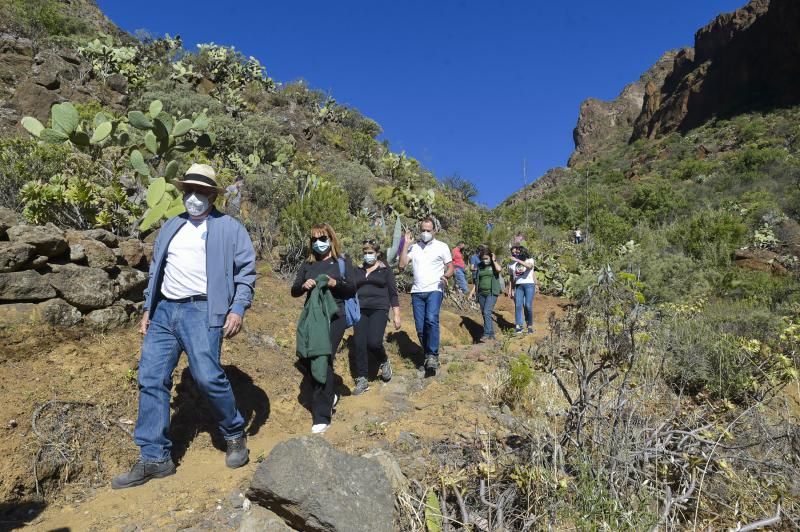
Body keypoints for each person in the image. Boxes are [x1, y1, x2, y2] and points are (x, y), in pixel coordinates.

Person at [112, 163, 256, 490]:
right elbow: (157, 271)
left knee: (207, 376)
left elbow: (246, 273)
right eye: (188, 191)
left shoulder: (229, 228)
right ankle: (155, 458)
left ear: (212, 195)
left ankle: (234, 433)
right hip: (164, 311)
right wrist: (148, 308)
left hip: (203, 309)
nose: (193, 197)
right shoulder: (171, 226)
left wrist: (237, 308)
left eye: (200, 191)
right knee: (151, 378)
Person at [291, 223, 357, 433]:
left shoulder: (342, 262)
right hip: (313, 317)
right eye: (315, 240)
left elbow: (351, 288)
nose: (319, 243)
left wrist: (333, 283)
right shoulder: (307, 265)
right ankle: (331, 395)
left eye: (323, 238)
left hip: (335, 315)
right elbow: (294, 290)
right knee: (307, 357)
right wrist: (304, 286)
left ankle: (322, 414)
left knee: (322, 356)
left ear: (331, 239)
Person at [399, 217, 453, 375]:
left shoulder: (442, 247)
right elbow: (402, 265)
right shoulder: (414, 248)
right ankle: (427, 353)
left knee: (431, 319)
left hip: (435, 289)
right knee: (421, 328)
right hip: (417, 291)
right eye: (423, 230)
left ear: (434, 231)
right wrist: (405, 246)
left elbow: (451, 267)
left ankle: (433, 355)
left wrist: (447, 276)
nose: (425, 233)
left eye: (428, 230)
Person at [351, 240, 401, 394]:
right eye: (365, 253)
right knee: (359, 343)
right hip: (360, 309)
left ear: (377, 253)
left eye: (370, 253)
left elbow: (393, 294)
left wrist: (396, 315)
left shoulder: (385, 271)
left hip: (379, 309)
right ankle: (362, 379)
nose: (367, 256)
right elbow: (350, 288)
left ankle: (384, 360)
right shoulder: (357, 270)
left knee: (373, 342)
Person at [475, 247, 502, 342]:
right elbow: (477, 280)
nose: (484, 260)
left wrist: (494, 260)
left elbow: (499, 269)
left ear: (490, 257)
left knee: (487, 311)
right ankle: (491, 334)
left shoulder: (494, 265)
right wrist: (473, 293)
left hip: (491, 292)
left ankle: (486, 334)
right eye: (482, 258)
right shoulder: (479, 265)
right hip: (481, 293)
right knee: (485, 313)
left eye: (486, 258)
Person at [508, 245, 536, 334]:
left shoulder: (529, 260)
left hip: (529, 285)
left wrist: (517, 260)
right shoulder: (511, 264)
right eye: (515, 253)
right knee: (518, 305)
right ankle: (519, 325)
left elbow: (529, 267)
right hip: (518, 285)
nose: (515, 254)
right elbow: (511, 278)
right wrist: (510, 289)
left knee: (527, 305)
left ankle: (529, 325)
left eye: (517, 252)